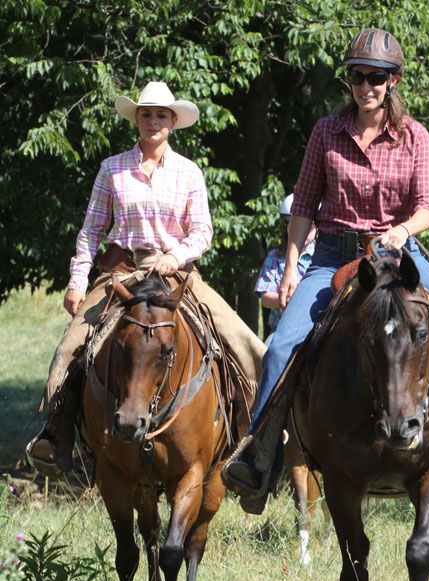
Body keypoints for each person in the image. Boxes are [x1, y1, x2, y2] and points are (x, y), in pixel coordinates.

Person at [224, 28, 429, 494]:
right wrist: (294, 264)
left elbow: (426, 209)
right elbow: (303, 207)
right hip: (334, 255)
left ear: (393, 79)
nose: (366, 86)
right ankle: (260, 455)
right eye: (357, 76)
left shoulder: (415, 135)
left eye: (376, 77)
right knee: (280, 347)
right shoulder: (325, 132)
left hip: (402, 256)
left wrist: (401, 230)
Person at [26, 81, 266, 476]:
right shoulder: (112, 169)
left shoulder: (190, 172)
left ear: (173, 122)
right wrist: (77, 279)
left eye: (160, 115)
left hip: (177, 275)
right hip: (121, 274)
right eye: (146, 114)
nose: (153, 121)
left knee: (242, 343)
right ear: (136, 118)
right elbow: (90, 231)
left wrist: (175, 256)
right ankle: (55, 434)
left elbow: (202, 231)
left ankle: (251, 443)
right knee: (71, 346)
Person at [254, 194, 316, 346]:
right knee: (266, 356)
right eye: (296, 225)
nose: (305, 230)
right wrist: (289, 300)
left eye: (311, 226)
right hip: (281, 328)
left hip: (316, 328)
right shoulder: (274, 257)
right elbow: (266, 298)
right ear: (286, 226)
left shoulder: (323, 258)